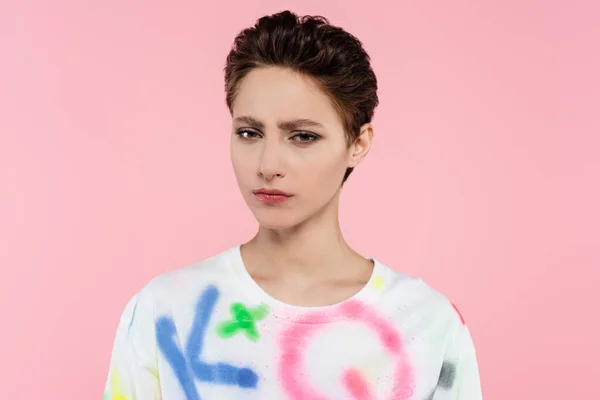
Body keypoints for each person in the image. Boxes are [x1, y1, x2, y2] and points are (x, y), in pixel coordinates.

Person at [103, 10, 482, 400]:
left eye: (302, 137)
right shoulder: (164, 313)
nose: (268, 166)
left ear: (359, 143)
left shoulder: (427, 323)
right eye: (249, 133)